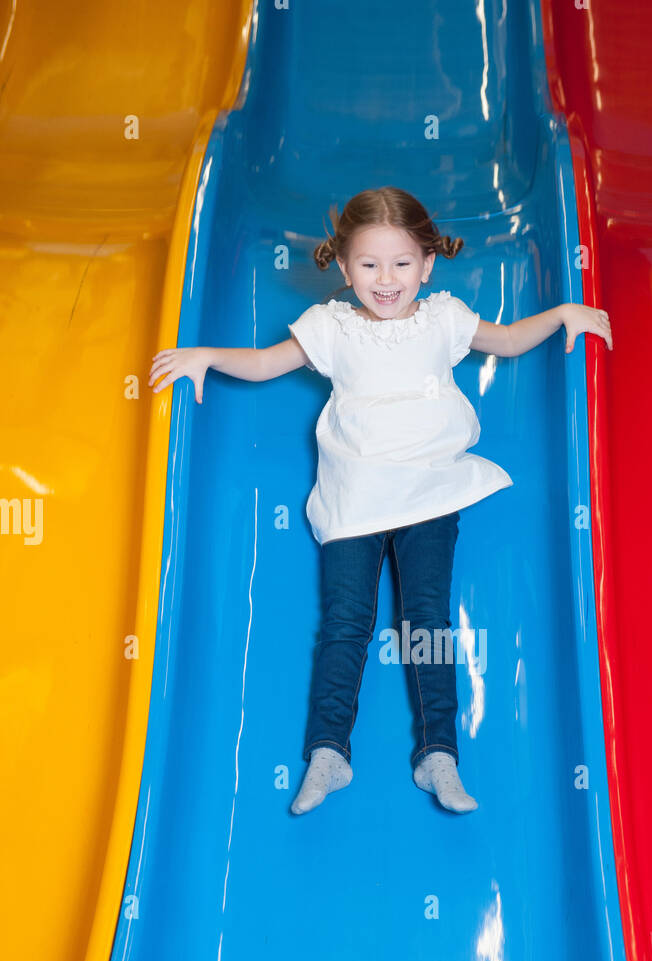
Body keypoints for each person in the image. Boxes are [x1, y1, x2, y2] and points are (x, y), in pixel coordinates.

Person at [149, 186, 612, 816]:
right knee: (346, 623)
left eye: (401, 264)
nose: (386, 280)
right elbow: (264, 363)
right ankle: (328, 752)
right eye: (368, 265)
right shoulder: (332, 326)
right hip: (356, 499)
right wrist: (205, 356)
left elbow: (503, 341)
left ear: (427, 264)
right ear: (343, 268)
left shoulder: (442, 317)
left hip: (428, 494)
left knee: (429, 623)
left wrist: (561, 315)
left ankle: (439, 755)